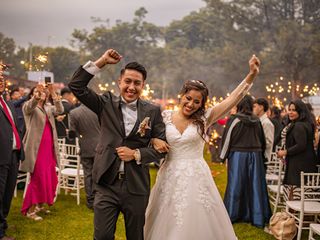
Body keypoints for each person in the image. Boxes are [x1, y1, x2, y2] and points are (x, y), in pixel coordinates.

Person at [144, 55, 260, 240]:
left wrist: (252, 75)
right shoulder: (165, 116)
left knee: (196, 217)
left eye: (196, 102)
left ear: (201, 104)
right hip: (170, 174)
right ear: (182, 95)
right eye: (188, 98)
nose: (191, 104)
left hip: (196, 176)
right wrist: (154, 141)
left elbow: (233, 98)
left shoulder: (205, 118)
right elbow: (149, 137)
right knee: (166, 219)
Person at [68, 49, 166, 240]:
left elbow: (162, 148)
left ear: (143, 85)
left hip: (136, 185)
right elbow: (76, 85)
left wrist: (137, 154)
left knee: (136, 236)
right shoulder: (105, 103)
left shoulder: (152, 111)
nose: (131, 87)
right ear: (119, 82)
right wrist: (102, 62)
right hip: (106, 183)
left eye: (137, 83)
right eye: (127, 81)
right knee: (102, 236)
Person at [220, 95, 271, 228]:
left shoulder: (234, 119)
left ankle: (233, 214)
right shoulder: (256, 120)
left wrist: (222, 156)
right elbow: (262, 140)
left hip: (238, 155)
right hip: (256, 154)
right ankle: (257, 216)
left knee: (235, 184)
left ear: (239, 104)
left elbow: (227, 139)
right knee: (255, 186)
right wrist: (262, 156)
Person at [20, 84, 63, 220]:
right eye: (38, 92)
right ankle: (30, 211)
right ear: (33, 94)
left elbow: (60, 110)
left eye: (43, 92)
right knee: (38, 178)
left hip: (48, 148)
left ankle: (39, 205)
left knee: (49, 177)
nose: (41, 94)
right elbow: (28, 107)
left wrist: (54, 95)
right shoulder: (29, 106)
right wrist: (35, 98)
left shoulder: (48, 108)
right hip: (36, 150)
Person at [0, 65, 24, 240]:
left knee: (8, 195)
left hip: (13, 155)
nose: (1, 81)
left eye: (2, 79)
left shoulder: (7, 103)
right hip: (1, 156)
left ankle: (3, 225)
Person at [277, 100, 318, 201]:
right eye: (289, 110)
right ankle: (300, 215)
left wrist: (285, 152)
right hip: (302, 164)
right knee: (303, 195)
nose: (290, 112)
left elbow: (301, 145)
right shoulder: (303, 123)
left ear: (301, 112)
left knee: (296, 196)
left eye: (294, 110)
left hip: (299, 165)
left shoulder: (299, 125)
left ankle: (295, 215)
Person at [69, 104, 101, 209]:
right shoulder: (98, 110)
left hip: (85, 146)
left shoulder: (74, 113)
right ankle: (99, 198)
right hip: (100, 147)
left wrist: (76, 134)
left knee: (88, 174)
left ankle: (90, 201)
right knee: (99, 173)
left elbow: (72, 132)